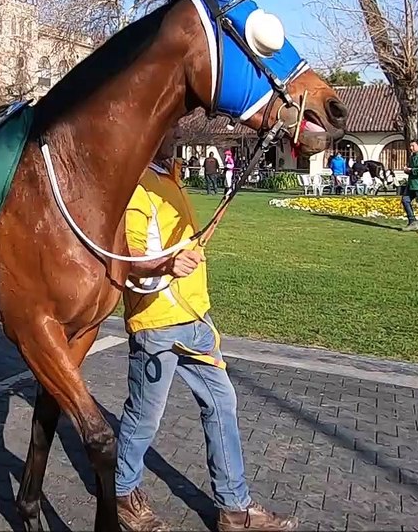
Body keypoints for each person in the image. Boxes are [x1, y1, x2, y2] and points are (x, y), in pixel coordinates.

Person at [115, 127, 298, 532]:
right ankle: (122, 494)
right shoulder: (137, 186)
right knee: (145, 418)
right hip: (158, 324)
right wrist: (164, 265)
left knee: (222, 405)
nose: (174, 133)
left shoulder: (168, 178)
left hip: (197, 321)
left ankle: (234, 509)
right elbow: (128, 260)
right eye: (166, 126)